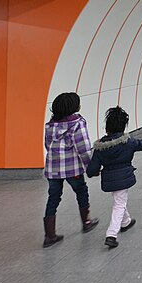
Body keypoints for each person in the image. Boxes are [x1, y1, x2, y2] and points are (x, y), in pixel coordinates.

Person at [86, 107, 142, 248]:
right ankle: (111, 234)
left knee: (119, 199)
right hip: (123, 177)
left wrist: (93, 173)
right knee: (119, 203)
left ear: (107, 126)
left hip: (109, 179)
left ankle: (126, 221)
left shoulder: (100, 147)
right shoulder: (128, 142)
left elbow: (92, 168)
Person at [42, 92, 98, 247]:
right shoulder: (77, 123)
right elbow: (83, 148)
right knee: (81, 191)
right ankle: (86, 222)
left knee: (53, 198)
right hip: (72, 168)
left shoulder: (50, 125)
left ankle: (49, 235)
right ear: (74, 107)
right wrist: (90, 167)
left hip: (53, 168)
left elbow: (48, 146)